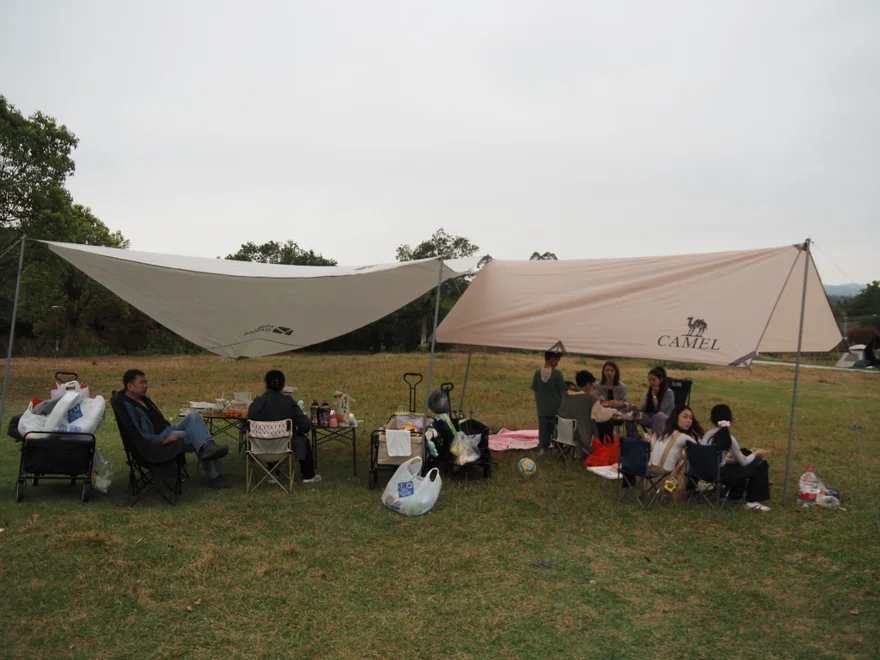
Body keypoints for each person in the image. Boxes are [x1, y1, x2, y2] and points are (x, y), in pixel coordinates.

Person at [122, 369, 231, 489]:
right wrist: (161, 440)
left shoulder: (143, 398)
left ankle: (209, 448)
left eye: (146, 382)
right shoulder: (128, 406)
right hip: (160, 438)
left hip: (167, 429)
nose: (145, 385)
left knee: (194, 416)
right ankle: (215, 476)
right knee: (198, 437)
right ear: (130, 386)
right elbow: (137, 434)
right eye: (142, 383)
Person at [248, 369, 322, 484]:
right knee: (301, 439)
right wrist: (299, 432)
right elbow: (305, 424)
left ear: (266, 384)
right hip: (283, 447)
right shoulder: (288, 402)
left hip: (259, 447)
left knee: (270, 435)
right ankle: (308, 475)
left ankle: (273, 474)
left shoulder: (257, 403)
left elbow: (248, 422)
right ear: (282, 386)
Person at [701, 404, 771, 512]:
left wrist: (729, 461)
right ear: (730, 420)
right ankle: (752, 501)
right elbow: (744, 463)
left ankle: (734, 495)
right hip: (719, 474)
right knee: (760, 464)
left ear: (712, 419)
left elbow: (710, 458)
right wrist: (756, 453)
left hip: (704, 472)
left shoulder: (707, 435)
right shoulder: (729, 438)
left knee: (735, 464)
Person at [530, 351, 566, 453]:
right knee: (555, 429)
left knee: (543, 429)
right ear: (552, 359)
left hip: (542, 408)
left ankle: (543, 447)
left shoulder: (537, 373)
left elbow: (535, 390)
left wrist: (538, 403)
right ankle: (556, 447)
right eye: (557, 361)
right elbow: (563, 391)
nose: (557, 363)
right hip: (555, 407)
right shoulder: (557, 374)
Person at [649, 405, 703, 471]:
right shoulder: (682, 437)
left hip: (652, 474)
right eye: (685, 417)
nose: (688, 421)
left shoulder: (665, 434)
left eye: (691, 418)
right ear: (676, 418)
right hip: (668, 476)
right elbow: (701, 453)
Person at [634, 366, 676, 437]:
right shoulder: (651, 390)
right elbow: (645, 408)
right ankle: (634, 437)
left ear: (661, 380)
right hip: (651, 417)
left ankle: (657, 440)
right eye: (649, 380)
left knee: (659, 416)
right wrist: (636, 408)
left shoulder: (669, 393)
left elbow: (660, 410)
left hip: (664, 419)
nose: (651, 382)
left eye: (654, 380)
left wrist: (654, 395)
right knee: (634, 414)